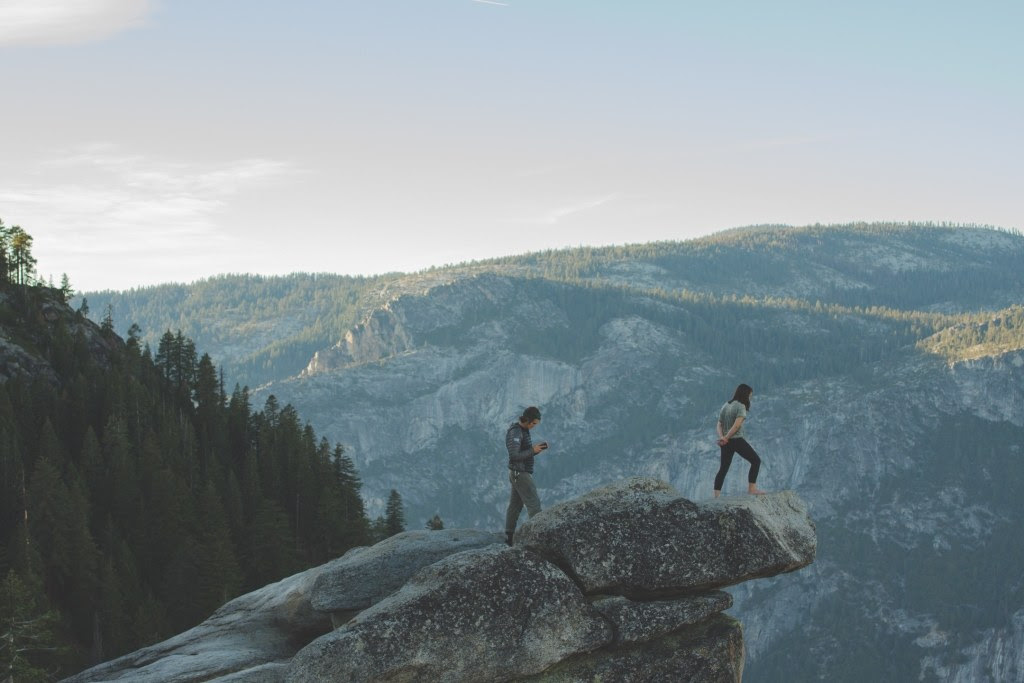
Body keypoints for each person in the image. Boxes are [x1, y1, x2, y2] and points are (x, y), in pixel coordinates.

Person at [504, 406, 548, 545]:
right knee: (533, 503)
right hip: (520, 473)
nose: (534, 426)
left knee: (515, 505)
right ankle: (539, 536)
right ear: (528, 420)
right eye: (534, 423)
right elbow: (514, 456)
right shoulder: (516, 433)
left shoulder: (522, 430)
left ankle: (508, 536)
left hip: (518, 472)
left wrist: (534, 450)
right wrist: (532, 450)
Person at [714, 384, 767, 497]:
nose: (750, 398)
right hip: (736, 440)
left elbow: (719, 425)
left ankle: (716, 496)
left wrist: (722, 438)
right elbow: (737, 425)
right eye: (750, 395)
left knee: (723, 469)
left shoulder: (726, 405)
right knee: (756, 461)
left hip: (725, 443)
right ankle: (752, 489)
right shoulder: (741, 406)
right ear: (745, 394)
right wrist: (727, 437)